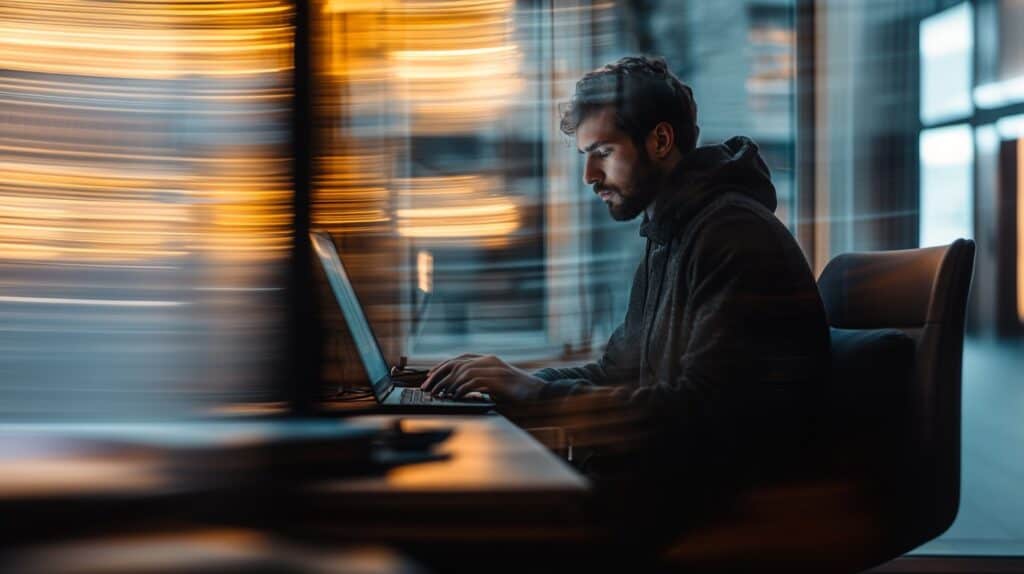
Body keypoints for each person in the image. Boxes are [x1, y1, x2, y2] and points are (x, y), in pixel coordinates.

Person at [421, 55, 830, 488]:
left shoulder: (731, 234)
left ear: (659, 141)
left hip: (720, 492)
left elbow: (701, 412)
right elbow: (618, 372)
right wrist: (512, 383)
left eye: (603, 153)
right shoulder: (669, 234)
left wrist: (534, 395)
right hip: (671, 481)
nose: (589, 176)